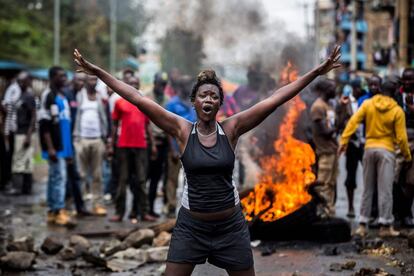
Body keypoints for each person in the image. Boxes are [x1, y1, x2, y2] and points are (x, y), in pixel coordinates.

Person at [74, 45, 341, 276]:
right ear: (195, 101)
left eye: (214, 95)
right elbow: (137, 98)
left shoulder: (232, 128)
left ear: (219, 103)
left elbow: (276, 99)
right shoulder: (181, 130)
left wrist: (316, 72)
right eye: (203, 95)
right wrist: (99, 73)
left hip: (231, 228)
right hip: (191, 228)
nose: (209, 99)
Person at [339, 80, 412, 238]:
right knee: (385, 190)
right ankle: (385, 225)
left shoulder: (368, 104)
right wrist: (407, 156)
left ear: (380, 90)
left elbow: (353, 122)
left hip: (369, 149)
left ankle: (363, 225)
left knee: (367, 188)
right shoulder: (397, 110)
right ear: (394, 92)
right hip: (387, 150)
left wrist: (343, 141)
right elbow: (401, 138)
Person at [108, 76, 157, 223]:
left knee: (141, 180)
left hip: (141, 145)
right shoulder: (119, 103)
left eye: (136, 83)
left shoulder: (144, 104)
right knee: (122, 180)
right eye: (131, 84)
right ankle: (119, 212)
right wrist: (111, 145)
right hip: (123, 145)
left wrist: (153, 144)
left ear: (139, 85)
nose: (134, 85)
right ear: (126, 86)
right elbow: (115, 125)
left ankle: (144, 212)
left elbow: (148, 126)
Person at [38, 66, 75, 226]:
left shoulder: (63, 95)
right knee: (59, 178)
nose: (65, 79)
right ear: (52, 77)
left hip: (64, 145)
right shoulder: (49, 95)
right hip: (55, 147)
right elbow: (44, 124)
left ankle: (53, 211)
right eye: (61, 76)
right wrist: (50, 147)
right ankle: (58, 210)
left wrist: (68, 149)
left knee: (55, 178)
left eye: (65, 76)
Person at [73, 75, 108, 215]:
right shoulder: (79, 96)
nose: (93, 82)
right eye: (90, 80)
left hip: (97, 140)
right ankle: (81, 206)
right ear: (86, 82)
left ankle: (97, 204)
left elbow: (104, 118)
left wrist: (106, 138)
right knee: (81, 175)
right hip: (82, 139)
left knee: (97, 175)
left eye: (95, 80)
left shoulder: (99, 97)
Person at [165, 75, 197, 218]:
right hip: (176, 147)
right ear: (180, 87)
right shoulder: (172, 104)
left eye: (190, 85)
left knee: (190, 178)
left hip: (192, 148)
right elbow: (167, 128)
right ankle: (171, 206)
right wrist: (172, 149)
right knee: (172, 178)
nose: (189, 88)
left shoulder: (194, 103)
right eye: (185, 85)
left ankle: (189, 206)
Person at [336, 80, 365, 218]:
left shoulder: (366, 101)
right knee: (351, 176)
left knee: (369, 176)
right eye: (356, 88)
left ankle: (370, 210)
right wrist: (342, 107)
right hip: (352, 143)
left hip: (366, 142)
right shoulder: (346, 103)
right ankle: (351, 207)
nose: (358, 90)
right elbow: (339, 123)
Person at [2, 72, 35, 195]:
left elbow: (33, 116)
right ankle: (25, 189)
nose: (21, 83)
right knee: (24, 160)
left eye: (23, 81)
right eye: (19, 81)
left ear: (28, 82)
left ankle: (18, 188)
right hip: (20, 131)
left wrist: (28, 135)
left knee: (20, 160)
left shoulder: (29, 96)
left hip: (24, 133)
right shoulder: (19, 95)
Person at [310, 78, 338, 218]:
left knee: (331, 184)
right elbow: (325, 132)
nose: (335, 90)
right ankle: (323, 212)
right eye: (332, 87)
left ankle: (330, 212)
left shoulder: (328, 105)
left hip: (332, 150)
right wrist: (341, 122)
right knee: (323, 184)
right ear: (325, 90)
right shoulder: (318, 107)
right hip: (324, 151)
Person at [147, 72, 169, 217]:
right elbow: (145, 122)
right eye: (160, 84)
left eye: (164, 85)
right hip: (149, 143)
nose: (162, 87)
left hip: (163, 142)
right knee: (143, 176)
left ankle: (150, 209)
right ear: (155, 83)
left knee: (157, 177)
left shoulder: (167, 100)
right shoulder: (147, 98)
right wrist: (153, 144)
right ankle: (139, 209)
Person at [394, 68, 414, 227]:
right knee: (395, 179)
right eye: (405, 80)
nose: (408, 83)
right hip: (397, 143)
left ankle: (407, 214)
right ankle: (396, 214)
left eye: (411, 80)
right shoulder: (395, 96)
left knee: (410, 181)